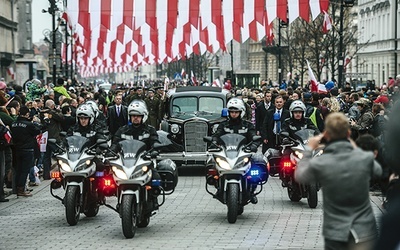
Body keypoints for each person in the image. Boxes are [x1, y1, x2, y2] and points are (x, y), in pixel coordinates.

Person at [295, 112, 382, 250]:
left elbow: (300, 175)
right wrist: (353, 146)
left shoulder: (321, 162)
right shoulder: (364, 158)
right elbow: (378, 171)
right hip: (364, 229)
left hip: (336, 231)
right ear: (348, 133)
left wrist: (309, 150)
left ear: (326, 135)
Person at [109, 100, 161, 208]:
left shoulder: (149, 130)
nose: (135, 118)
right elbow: (115, 144)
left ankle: (153, 198)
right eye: (133, 116)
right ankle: (119, 198)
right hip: (126, 160)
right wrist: (110, 152)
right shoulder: (122, 130)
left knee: (155, 176)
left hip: (144, 160)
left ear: (144, 116)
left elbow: (155, 142)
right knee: (110, 177)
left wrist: (155, 149)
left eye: (138, 116)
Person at [212, 98, 262, 204]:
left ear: (241, 112)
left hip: (243, 152)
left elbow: (254, 137)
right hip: (227, 152)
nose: (234, 114)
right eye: (231, 112)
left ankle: (252, 191)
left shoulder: (248, 125)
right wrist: (213, 142)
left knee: (256, 167)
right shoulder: (223, 125)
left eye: (236, 112)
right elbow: (216, 136)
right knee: (211, 164)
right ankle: (217, 187)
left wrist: (253, 145)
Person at [11, 106, 45, 197]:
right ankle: (21, 189)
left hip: (17, 149)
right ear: (27, 114)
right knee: (24, 170)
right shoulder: (29, 124)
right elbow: (37, 131)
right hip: (27, 149)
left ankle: (17, 188)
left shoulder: (13, 124)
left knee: (18, 169)